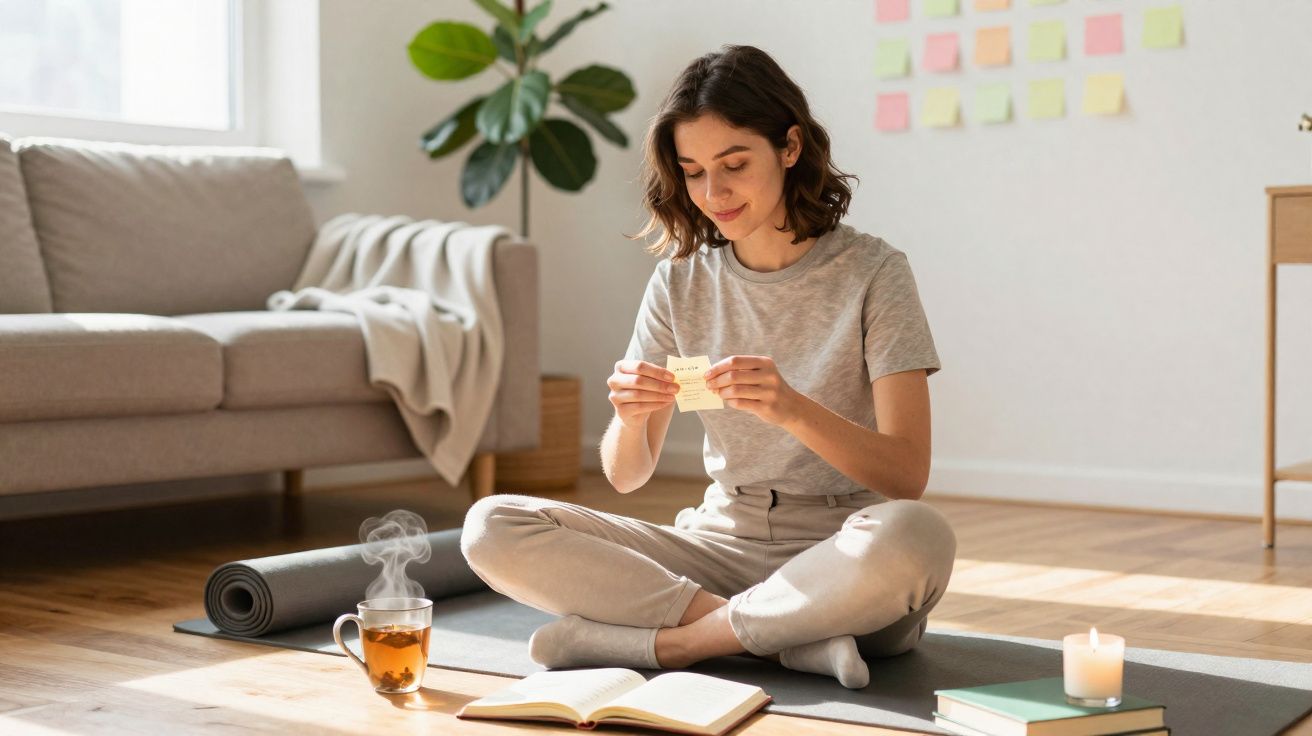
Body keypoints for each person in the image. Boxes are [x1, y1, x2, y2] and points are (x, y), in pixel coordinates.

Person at [460, 44, 956, 690]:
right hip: (717, 548)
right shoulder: (680, 282)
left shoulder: (876, 273)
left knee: (918, 536)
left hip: (839, 555)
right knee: (490, 526)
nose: (713, 193)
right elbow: (626, 475)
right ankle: (780, 639)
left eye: (734, 164)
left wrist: (791, 409)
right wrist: (629, 418)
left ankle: (679, 644)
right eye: (693, 172)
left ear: (790, 147)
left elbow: (907, 474)